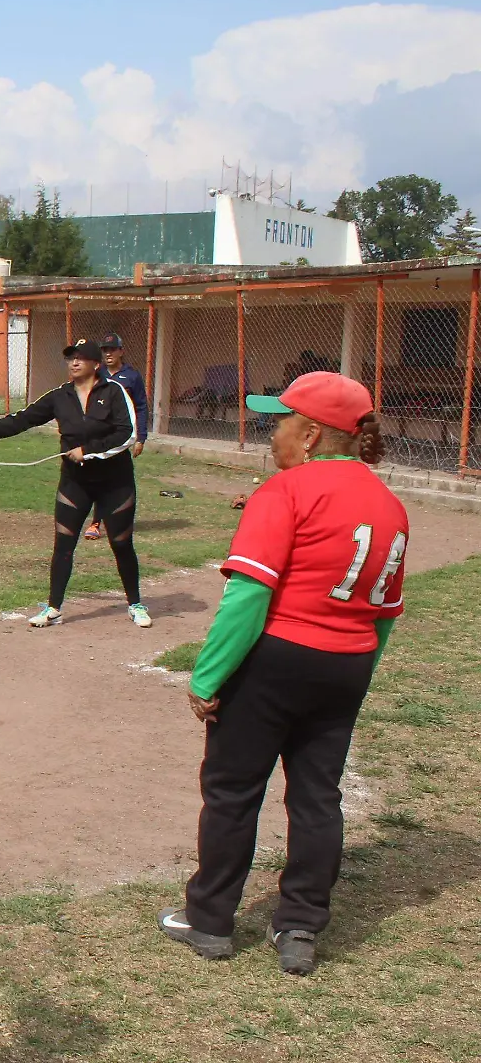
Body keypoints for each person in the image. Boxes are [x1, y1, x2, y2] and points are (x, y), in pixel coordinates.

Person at [159, 372, 406, 977]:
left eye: (282, 420)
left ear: (313, 433)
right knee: (318, 798)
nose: (274, 432)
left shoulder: (287, 491)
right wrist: (354, 678)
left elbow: (248, 598)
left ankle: (210, 919)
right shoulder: (391, 504)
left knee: (233, 792)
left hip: (275, 661)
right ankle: (299, 926)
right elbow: (384, 616)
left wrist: (206, 678)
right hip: (345, 666)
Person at [0, 340, 150, 628]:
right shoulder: (59, 396)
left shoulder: (115, 391)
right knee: (63, 545)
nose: (74, 363)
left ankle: (136, 604)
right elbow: (21, 420)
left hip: (115, 483)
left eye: (81, 358)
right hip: (75, 483)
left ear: (96, 364)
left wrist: (89, 449)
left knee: (121, 543)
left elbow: (127, 433)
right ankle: (53, 607)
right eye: (70, 358)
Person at [84, 332, 148, 540]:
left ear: (121, 351)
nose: (108, 354)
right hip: (100, 435)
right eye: (105, 350)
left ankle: (117, 518)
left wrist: (141, 437)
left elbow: (141, 407)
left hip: (121, 437)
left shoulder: (132, 376)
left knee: (119, 480)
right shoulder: (97, 374)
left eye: (112, 349)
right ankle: (95, 523)